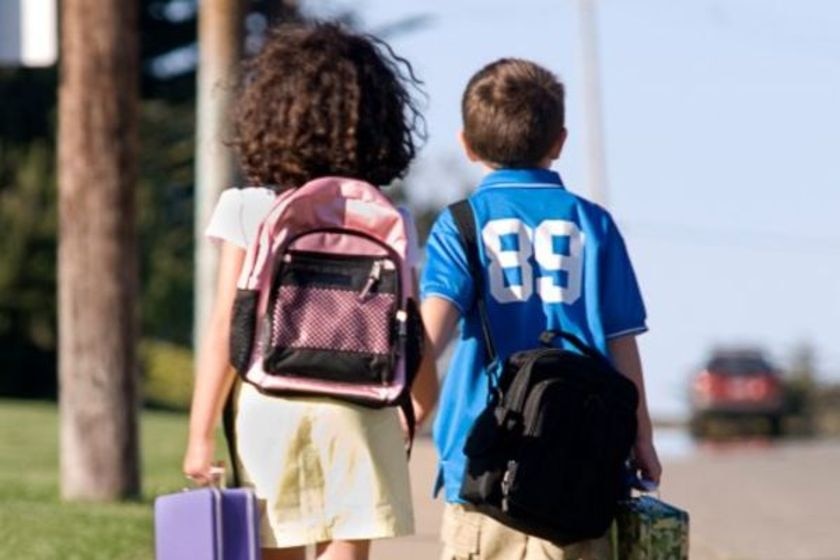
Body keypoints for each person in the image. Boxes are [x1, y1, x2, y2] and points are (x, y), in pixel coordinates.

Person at [182, 22, 438, 560]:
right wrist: (416, 407)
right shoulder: (393, 219)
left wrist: (200, 434)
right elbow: (410, 334)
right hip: (360, 407)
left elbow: (227, 325)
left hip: (269, 404)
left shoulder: (248, 209)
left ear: (269, 116)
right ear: (378, 122)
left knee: (276, 545)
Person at [418, 58, 662, 560]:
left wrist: (407, 405)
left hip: (483, 462)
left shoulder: (461, 224)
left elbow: (429, 338)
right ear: (560, 141)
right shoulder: (594, 224)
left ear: (466, 144)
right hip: (582, 467)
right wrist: (642, 437)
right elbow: (621, 344)